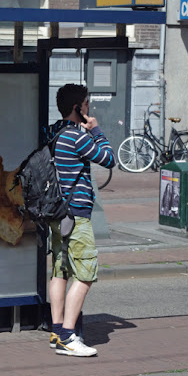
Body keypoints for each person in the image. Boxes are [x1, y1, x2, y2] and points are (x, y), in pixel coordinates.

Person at [47, 83, 115, 357]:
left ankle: (56, 330)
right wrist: (96, 130)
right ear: (78, 107)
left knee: (60, 271)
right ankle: (67, 337)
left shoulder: (52, 132)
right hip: (76, 215)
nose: (90, 108)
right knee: (85, 275)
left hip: (56, 214)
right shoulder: (77, 137)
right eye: (87, 104)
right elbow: (109, 159)